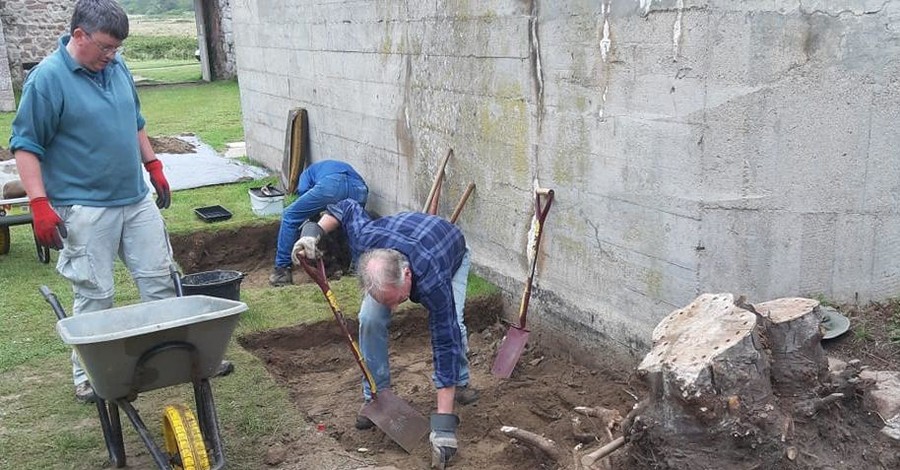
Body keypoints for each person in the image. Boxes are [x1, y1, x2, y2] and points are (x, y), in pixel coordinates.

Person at [10, 0, 176, 403]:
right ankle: (89, 377)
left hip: (135, 200)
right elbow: (26, 146)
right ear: (79, 35)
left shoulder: (116, 68)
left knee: (160, 279)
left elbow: (135, 121)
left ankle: (173, 360)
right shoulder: (47, 80)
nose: (111, 55)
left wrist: (152, 164)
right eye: (104, 47)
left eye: (116, 48)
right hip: (84, 207)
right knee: (95, 293)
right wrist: (38, 204)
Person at [291, 198, 478, 468]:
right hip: (401, 241)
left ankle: (460, 381)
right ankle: (376, 396)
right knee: (369, 317)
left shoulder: (432, 279)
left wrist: (444, 425)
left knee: (454, 325)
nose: (393, 307)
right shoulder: (364, 241)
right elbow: (345, 206)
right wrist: (312, 234)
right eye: (386, 299)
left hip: (449, 250)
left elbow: (443, 341)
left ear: (408, 276)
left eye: (397, 299)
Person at [269, 160, 368, 286]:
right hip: (360, 189)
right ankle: (354, 266)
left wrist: (312, 226)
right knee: (350, 225)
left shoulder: (306, 173)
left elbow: (304, 192)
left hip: (332, 185)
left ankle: (282, 271)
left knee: (290, 216)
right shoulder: (332, 166)